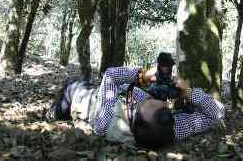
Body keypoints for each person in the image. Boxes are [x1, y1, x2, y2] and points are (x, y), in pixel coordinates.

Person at [46, 58, 225, 150]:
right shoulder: (172, 130)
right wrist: (189, 92)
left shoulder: (106, 121)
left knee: (71, 85)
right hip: (110, 94)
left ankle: (53, 113)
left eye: (146, 101)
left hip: (82, 98)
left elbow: (110, 75)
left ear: (131, 113)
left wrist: (143, 75)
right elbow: (217, 113)